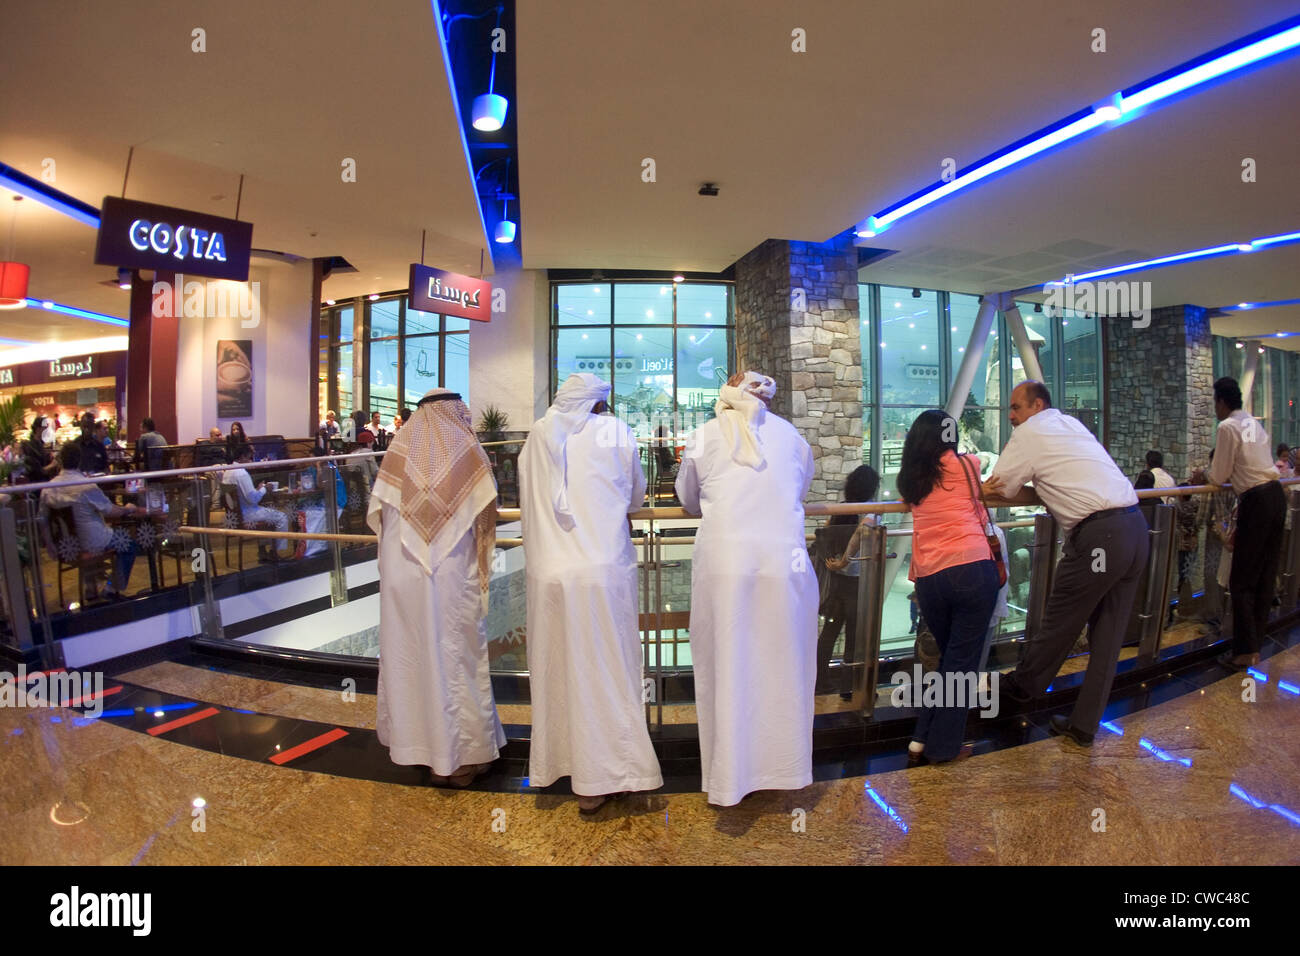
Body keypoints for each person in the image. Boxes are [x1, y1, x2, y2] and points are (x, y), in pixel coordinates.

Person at [519, 373, 662, 813]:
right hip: (601, 575)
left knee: (558, 674)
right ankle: (607, 776)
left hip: (549, 577)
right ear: (598, 404)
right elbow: (635, 496)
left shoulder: (535, 438)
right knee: (607, 672)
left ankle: (566, 770)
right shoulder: (614, 431)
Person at [675, 370, 817, 806]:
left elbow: (688, 498)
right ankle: (783, 769)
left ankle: (730, 779)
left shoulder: (704, 435)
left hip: (725, 572)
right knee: (781, 670)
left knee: (727, 669)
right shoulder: (792, 437)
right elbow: (802, 487)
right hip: (784, 570)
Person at [985, 381, 1148, 747]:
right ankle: (1084, 725)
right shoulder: (1071, 425)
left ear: (1037, 405)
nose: (1011, 415)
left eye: (1016, 407)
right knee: (1107, 636)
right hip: (1136, 528)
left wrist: (967, 488)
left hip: (1100, 538)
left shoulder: (1030, 432)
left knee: (1059, 623)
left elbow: (1002, 487)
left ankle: (1013, 697)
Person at [366, 387, 504, 787]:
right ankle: (460, 761)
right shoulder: (467, 452)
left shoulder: (397, 455)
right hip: (448, 577)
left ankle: (422, 752)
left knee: (413, 657)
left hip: (402, 578)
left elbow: (378, 516)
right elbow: (487, 510)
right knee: (455, 659)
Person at [893, 410, 1000, 766]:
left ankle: (920, 739)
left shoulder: (909, 479)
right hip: (971, 568)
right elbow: (984, 465)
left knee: (950, 662)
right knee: (961, 666)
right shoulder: (967, 465)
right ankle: (943, 749)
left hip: (930, 580)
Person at [1193, 377, 1285, 669]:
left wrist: (1202, 477)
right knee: (1265, 575)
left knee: (1242, 579)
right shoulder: (1253, 423)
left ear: (1221, 401)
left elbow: (1218, 476)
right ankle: (1255, 644)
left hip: (1256, 502)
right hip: (1276, 497)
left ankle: (1245, 651)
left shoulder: (1227, 426)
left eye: (1214, 403)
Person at [38, 442, 139, 597]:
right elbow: (110, 511)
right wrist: (127, 509)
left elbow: (42, 519)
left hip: (66, 545)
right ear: (79, 461)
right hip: (92, 542)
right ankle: (111, 587)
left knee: (86, 531)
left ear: (60, 461)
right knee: (129, 545)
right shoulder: (85, 485)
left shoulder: (47, 489)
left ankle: (90, 588)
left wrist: (50, 544)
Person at [820, 464, 881, 698]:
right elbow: (861, 532)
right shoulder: (872, 510)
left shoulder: (841, 508)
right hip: (857, 582)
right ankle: (849, 688)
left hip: (836, 582)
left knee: (829, 632)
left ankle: (820, 683)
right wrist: (846, 561)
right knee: (855, 636)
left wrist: (832, 562)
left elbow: (824, 532)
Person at [222, 443, 289, 558]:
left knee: (269, 514)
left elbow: (244, 495)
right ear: (243, 457)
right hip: (247, 514)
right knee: (282, 517)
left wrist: (257, 489)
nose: (251, 461)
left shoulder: (228, 471)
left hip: (235, 514)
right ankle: (274, 552)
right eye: (250, 458)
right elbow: (253, 499)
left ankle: (263, 551)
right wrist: (264, 489)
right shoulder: (241, 473)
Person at [21, 415, 58, 482]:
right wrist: (53, 464)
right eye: (45, 428)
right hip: (37, 485)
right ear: (38, 429)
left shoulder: (40, 445)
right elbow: (37, 472)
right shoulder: (31, 447)